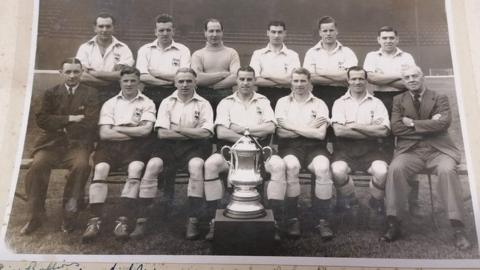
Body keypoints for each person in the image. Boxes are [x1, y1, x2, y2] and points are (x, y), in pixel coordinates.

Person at [383, 65, 471, 250]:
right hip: (411, 151)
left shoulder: (439, 97)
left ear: (422, 77)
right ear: (403, 81)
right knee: (395, 169)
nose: (412, 79)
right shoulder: (398, 99)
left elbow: (443, 124)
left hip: (439, 151)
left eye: (415, 75)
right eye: (407, 77)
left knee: (447, 171)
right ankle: (394, 223)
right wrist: (430, 125)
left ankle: (458, 228)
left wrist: (413, 123)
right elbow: (396, 128)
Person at [203, 66, 286, 241]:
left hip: (260, 152)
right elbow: (221, 133)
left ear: (255, 81)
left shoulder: (263, 101)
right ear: (236, 81)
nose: (245, 83)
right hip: (230, 152)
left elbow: (270, 127)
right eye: (242, 79)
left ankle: (274, 221)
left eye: (249, 79)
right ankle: (214, 220)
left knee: (278, 166)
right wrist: (252, 134)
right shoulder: (226, 102)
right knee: (210, 165)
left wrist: (242, 129)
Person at [20, 58, 99, 235]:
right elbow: (42, 120)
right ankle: (35, 216)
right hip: (51, 145)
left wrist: (58, 123)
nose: (72, 76)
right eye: (68, 72)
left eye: (76, 72)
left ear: (82, 73)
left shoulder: (91, 93)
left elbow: (90, 122)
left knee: (81, 166)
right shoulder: (51, 93)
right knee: (37, 166)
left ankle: (69, 215)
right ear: (61, 73)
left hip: (78, 145)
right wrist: (70, 119)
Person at [137, 68, 214, 240]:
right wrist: (191, 131)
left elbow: (206, 134)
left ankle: (192, 220)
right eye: (181, 81)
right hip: (168, 147)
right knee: (152, 166)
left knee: (196, 167)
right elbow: (163, 134)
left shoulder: (204, 104)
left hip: (194, 147)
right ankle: (141, 219)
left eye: (188, 81)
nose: (185, 85)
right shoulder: (167, 102)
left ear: (195, 82)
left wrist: (178, 129)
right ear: (175, 83)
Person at [81, 67, 156, 242]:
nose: (129, 84)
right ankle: (95, 220)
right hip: (109, 146)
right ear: (120, 82)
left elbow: (146, 131)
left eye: (133, 80)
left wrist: (118, 128)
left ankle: (122, 220)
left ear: (139, 82)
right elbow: (105, 134)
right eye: (125, 81)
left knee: (135, 169)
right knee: (100, 169)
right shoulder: (110, 103)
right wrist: (131, 129)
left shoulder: (147, 102)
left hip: (136, 147)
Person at [363, 26, 419, 215]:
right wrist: (398, 76)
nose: (388, 41)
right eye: (384, 38)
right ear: (378, 39)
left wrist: (384, 79)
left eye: (391, 37)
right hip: (382, 100)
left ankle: (413, 200)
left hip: (405, 100)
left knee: (409, 145)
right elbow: (371, 79)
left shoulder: (407, 57)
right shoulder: (372, 56)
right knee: (384, 145)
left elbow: (409, 81)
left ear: (397, 39)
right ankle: (381, 196)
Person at [275, 68, 333, 240]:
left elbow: (320, 135)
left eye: (303, 81)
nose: (299, 84)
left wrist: (291, 126)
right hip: (290, 147)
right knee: (291, 166)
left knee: (323, 168)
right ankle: (293, 219)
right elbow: (280, 134)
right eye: (296, 81)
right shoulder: (282, 102)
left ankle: (323, 219)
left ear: (309, 83)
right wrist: (309, 127)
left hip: (315, 147)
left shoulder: (320, 103)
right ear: (290, 82)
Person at [330, 66, 390, 218]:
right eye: (354, 79)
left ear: (366, 81)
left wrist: (355, 126)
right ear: (348, 81)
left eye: (361, 78)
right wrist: (370, 130)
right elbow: (339, 131)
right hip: (344, 151)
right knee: (337, 170)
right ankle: (351, 198)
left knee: (382, 171)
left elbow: (383, 131)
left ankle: (375, 201)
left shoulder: (377, 103)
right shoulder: (339, 103)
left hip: (372, 151)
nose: (357, 82)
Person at [76, 12, 134, 104]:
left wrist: (92, 72)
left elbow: (123, 75)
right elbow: (82, 76)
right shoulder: (85, 48)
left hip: (114, 94)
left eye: (108, 26)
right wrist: (110, 83)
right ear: (95, 28)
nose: (104, 29)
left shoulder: (123, 48)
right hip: (89, 94)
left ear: (113, 28)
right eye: (101, 26)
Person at [303, 16, 358, 113]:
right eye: (325, 31)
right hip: (318, 95)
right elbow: (310, 78)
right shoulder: (311, 52)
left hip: (343, 95)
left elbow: (351, 77)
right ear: (320, 33)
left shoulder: (348, 52)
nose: (328, 34)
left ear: (336, 31)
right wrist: (340, 75)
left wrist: (322, 74)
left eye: (331, 30)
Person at [136, 13, 190, 109]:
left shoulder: (183, 50)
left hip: (175, 93)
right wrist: (168, 82)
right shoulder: (144, 50)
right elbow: (142, 77)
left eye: (168, 30)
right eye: (161, 30)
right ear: (155, 32)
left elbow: (183, 77)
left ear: (173, 31)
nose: (165, 33)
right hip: (150, 93)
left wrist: (157, 74)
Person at [191, 18, 240, 113]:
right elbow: (197, 78)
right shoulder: (198, 54)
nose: (214, 34)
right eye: (211, 31)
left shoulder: (232, 53)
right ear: (205, 33)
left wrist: (212, 86)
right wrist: (222, 74)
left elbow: (236, 77)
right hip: (203, 96)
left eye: (218, 31)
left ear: (222, 32)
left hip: (226, 95)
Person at [249, 20, 300, 109]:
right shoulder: (258, 54)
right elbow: (255, 80)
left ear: (285, 33)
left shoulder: (293, 55)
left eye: (280, 32)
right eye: (273, 32)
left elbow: (292, 81)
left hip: (286, 96)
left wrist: (266, 76)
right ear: (268, 33)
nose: (276, 35)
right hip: (262, 96)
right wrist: (282, 80)